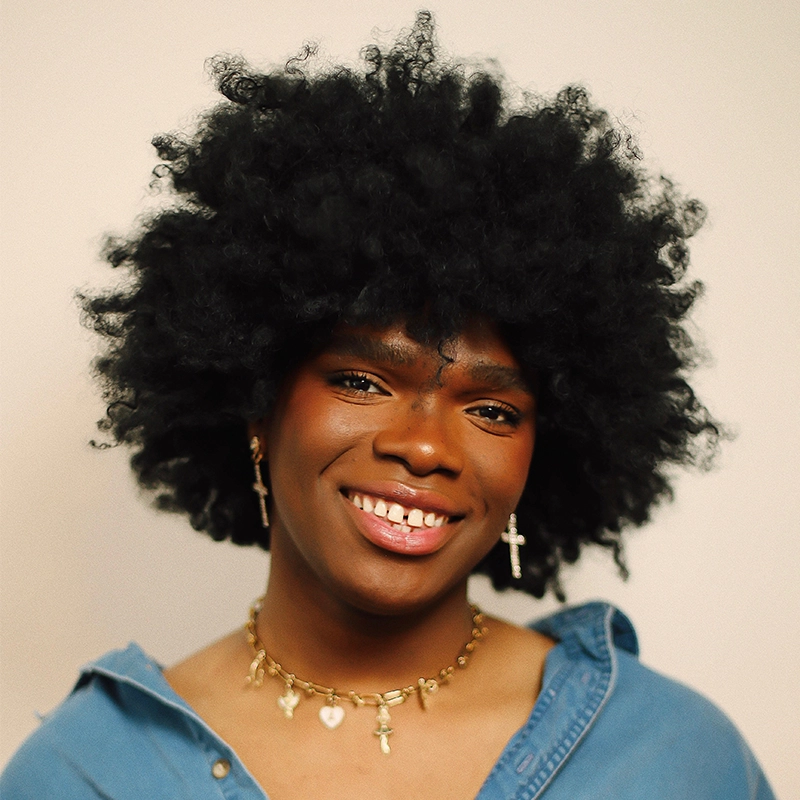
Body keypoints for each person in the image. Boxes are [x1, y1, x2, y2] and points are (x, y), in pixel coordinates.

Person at [0, 12, 775, 800]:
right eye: (363, 382)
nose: (425, 447)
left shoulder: (674, 758)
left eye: (493, 411)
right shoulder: (84, 775)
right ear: (257, 403)